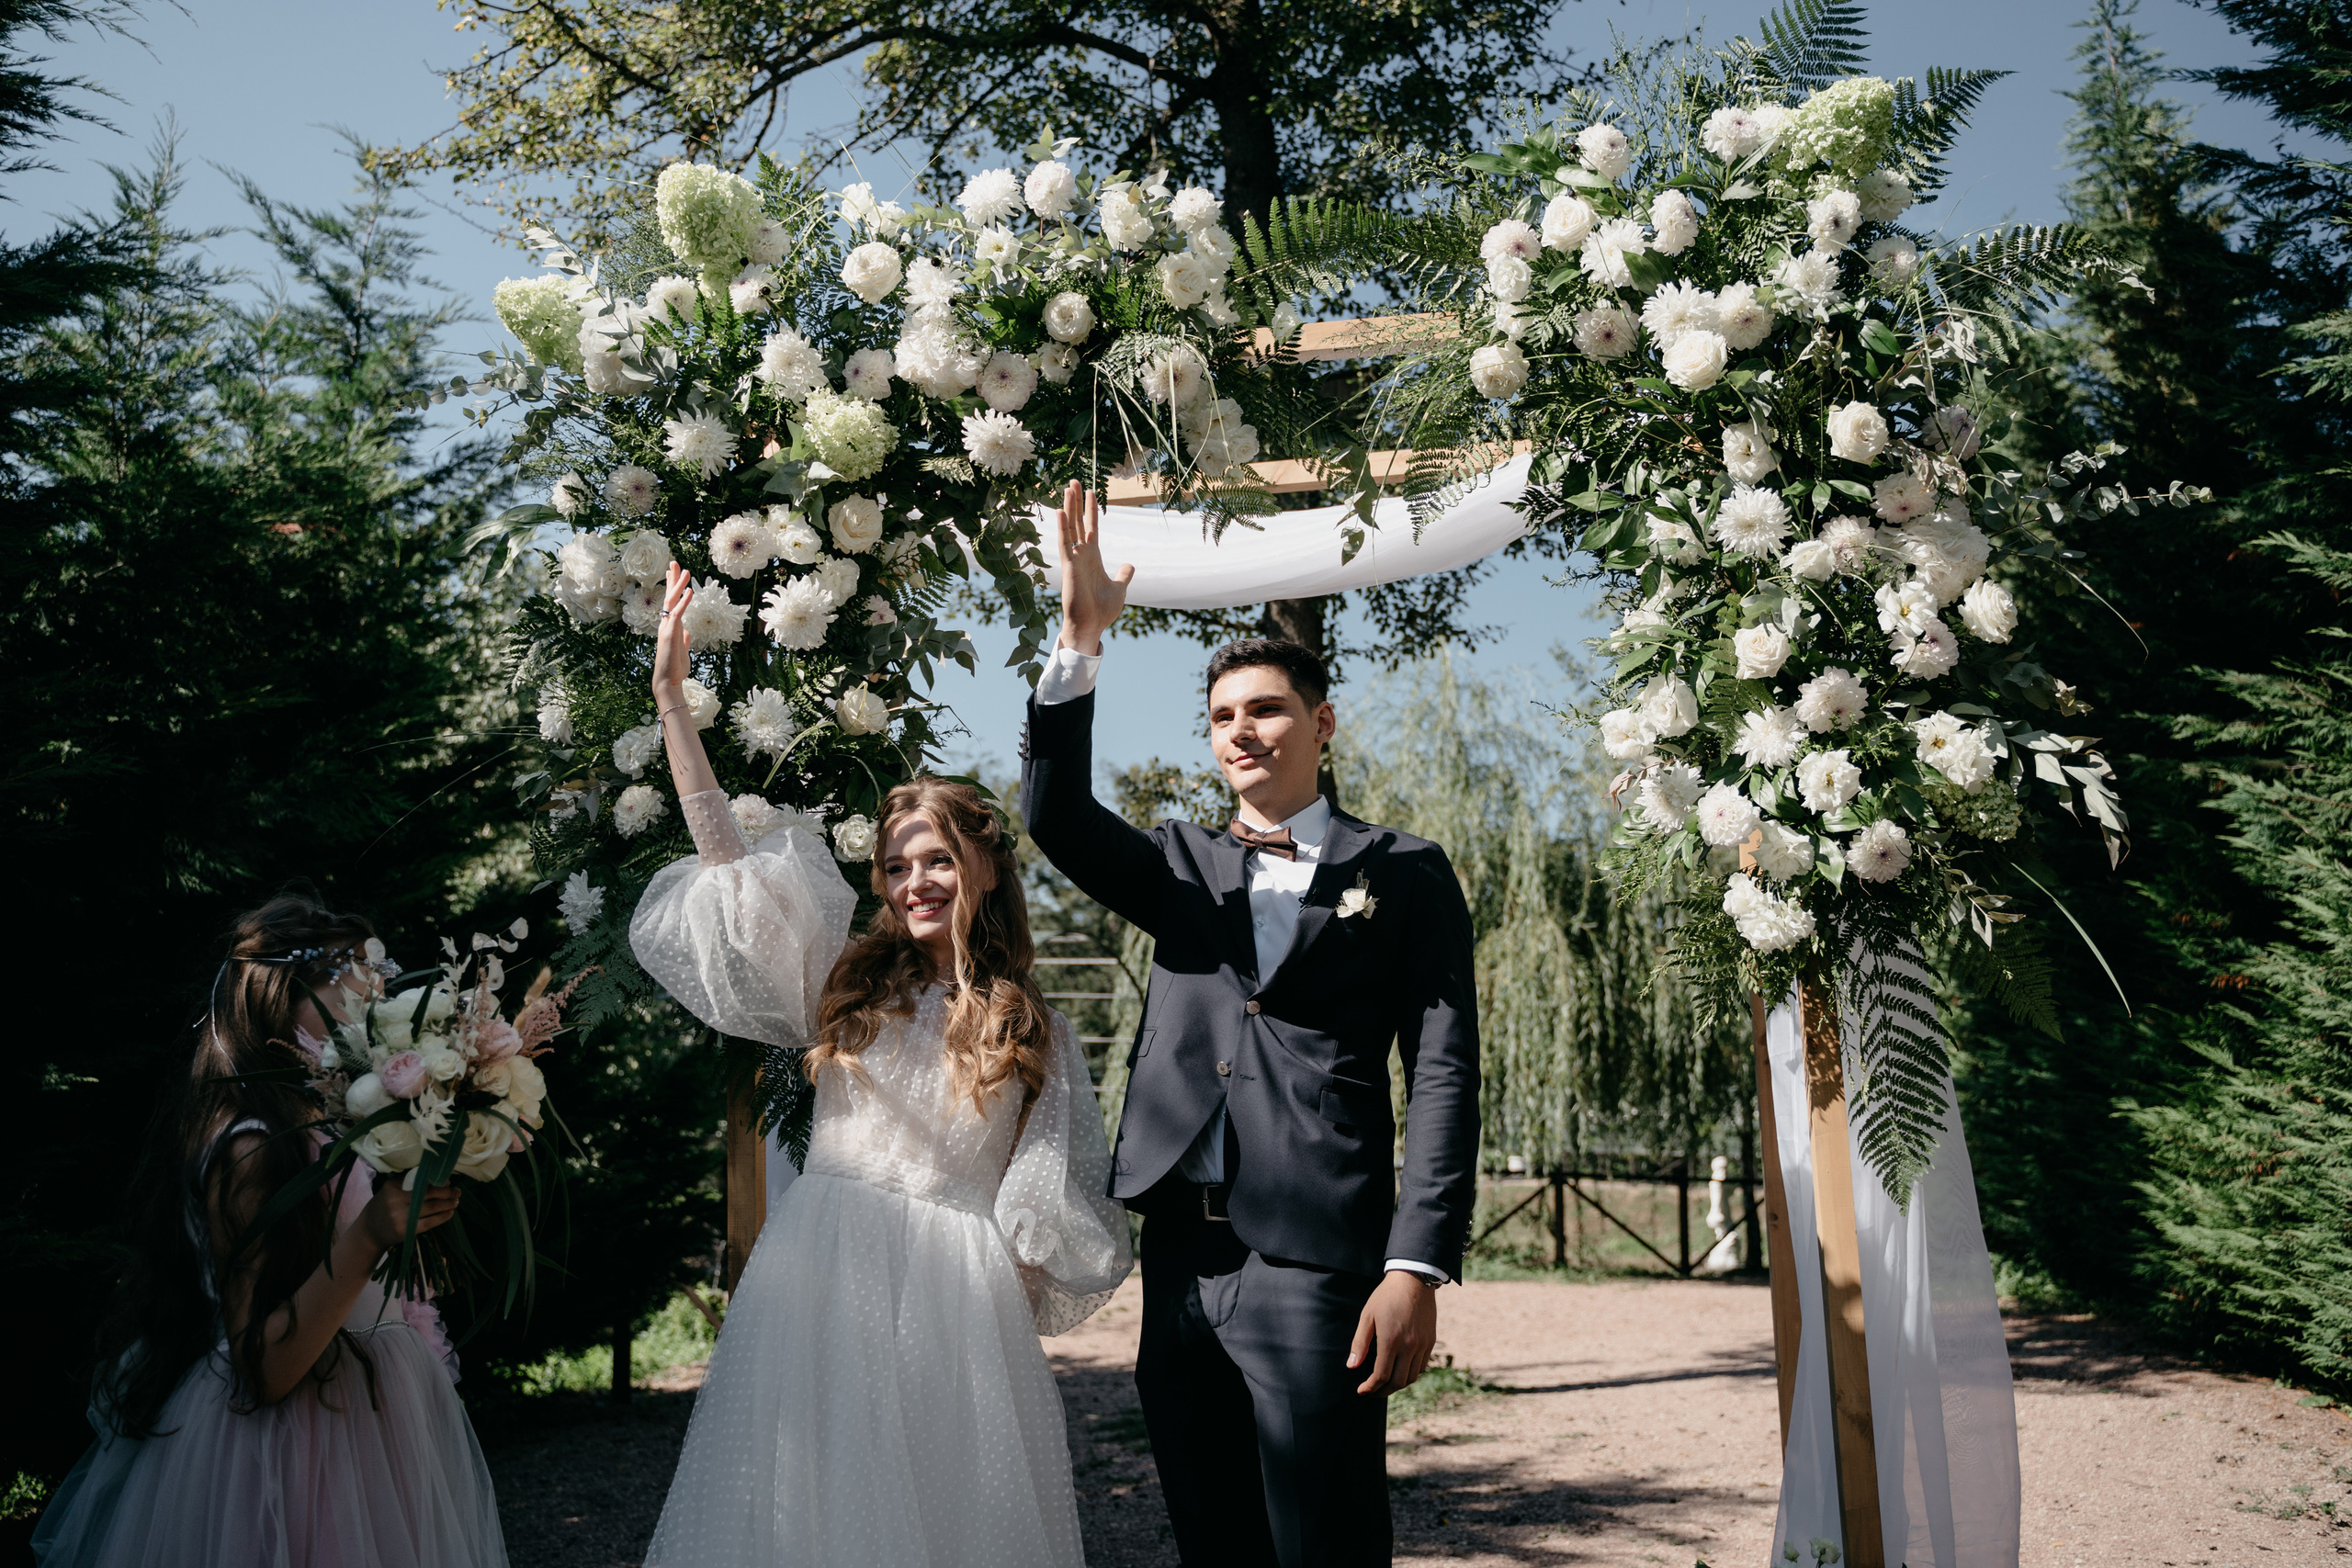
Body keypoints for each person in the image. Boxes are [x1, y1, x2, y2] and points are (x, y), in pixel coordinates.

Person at [628, 562, 1132, 1568]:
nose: (914, 883)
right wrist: (672, 705)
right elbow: (728, 861)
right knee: (799, 1514)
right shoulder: (842, 982)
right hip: (818, 1272)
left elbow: (1045, 1212)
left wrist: (994, 1328)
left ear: (983, 866)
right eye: (897, 865)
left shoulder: (1036, 1031)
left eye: (936, 858)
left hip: (955, 1295)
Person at [1022, 483, 1481, 1567]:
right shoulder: (1178, 863)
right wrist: (1079, 642)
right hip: (1180, 1247)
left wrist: (1415, 1267)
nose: (1242, 731)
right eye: (1223, 717)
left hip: (1321, 1254)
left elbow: (1446, 1071)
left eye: (1264, 710)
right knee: (1210, 1535)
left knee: (1323, 1539)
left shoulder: (1405, 870)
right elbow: (1051, 814)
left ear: (1320, 722)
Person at [34, 894, 505, 1568]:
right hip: (285, 1461)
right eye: (352, 1001)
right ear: (282, 1000)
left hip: (367, 1426)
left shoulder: (330, 1125)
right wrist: (369, 1234)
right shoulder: (250, 1148)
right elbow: (268, 1368)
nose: (368, 1023)